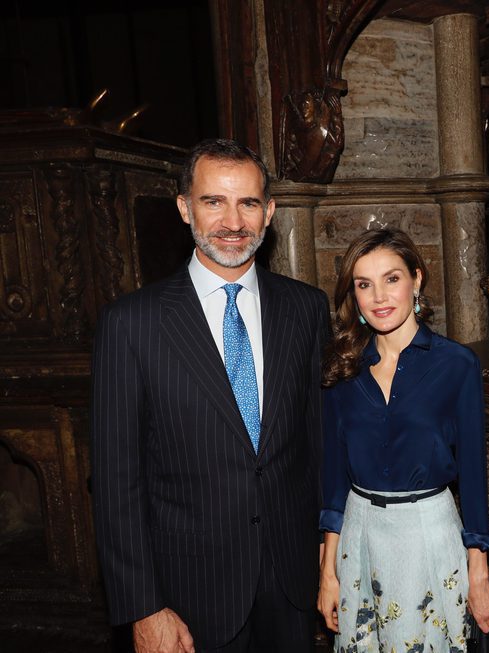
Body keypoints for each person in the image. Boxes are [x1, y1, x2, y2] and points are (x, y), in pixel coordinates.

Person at [91, 138, 330, 652]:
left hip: (292, 584)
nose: (232, 221)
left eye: (247, 203)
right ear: (184, 208)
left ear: (269, 212)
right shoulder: (131, 323)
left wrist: (328, 554)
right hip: (188, 594)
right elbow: (116, 482)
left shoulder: (305, 310)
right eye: (213, 201)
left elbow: (316, 446)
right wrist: (142, 606)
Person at [317, 228, 489, 652]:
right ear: (354, 295)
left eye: (392, 279)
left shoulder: (457, 364)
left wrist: (479, 573)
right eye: (364, 284)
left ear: (417, 280)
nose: (379, 296)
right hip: (360, 536)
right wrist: (328, 572)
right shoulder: (342, 368)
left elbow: (473, 475)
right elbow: (333, 483)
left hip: (428, 534)